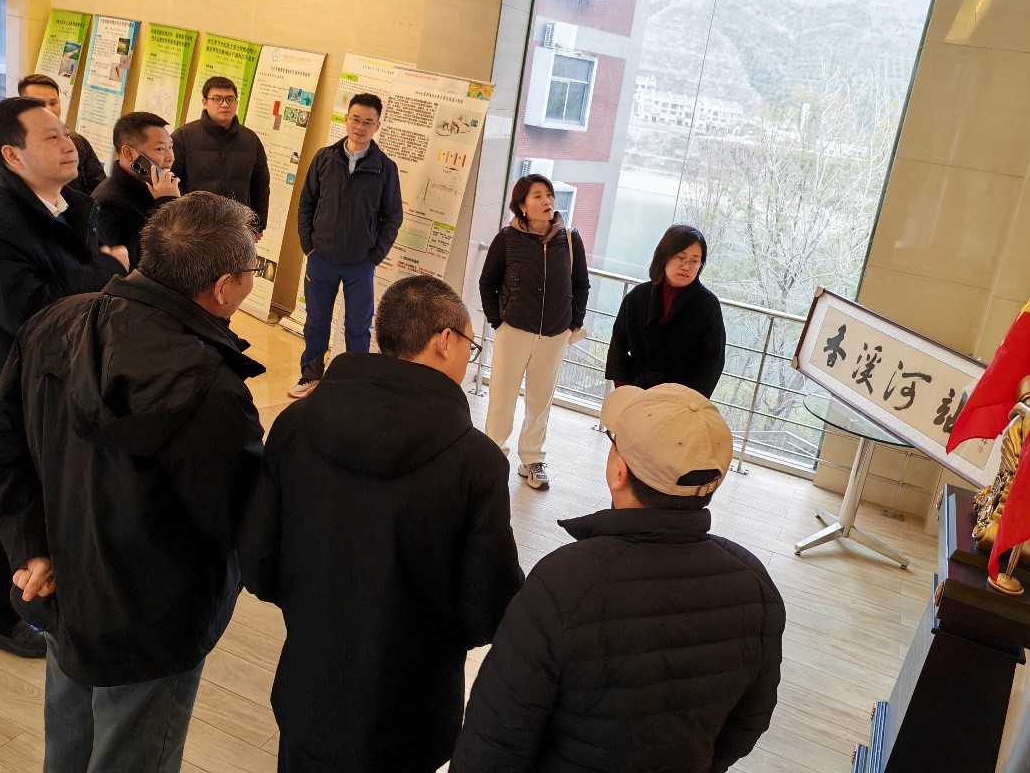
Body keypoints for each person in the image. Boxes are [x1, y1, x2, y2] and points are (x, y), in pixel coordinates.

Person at [0, 192, 267, 772]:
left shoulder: (55, 322)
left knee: (68, 747)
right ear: (222, 287)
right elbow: (236, 516)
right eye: (252, 269)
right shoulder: (210, 387)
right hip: (153, 624)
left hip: (62, 587)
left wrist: (30, 545)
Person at [240, 275, 523, 773]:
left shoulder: (297, 423)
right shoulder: (476, 462)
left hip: (310, 693)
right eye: (470, 344)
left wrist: (317, 608)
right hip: (412, 712)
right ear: (444, 341)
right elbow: (488, 606)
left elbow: (259, 560)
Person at [452, 383, 786, 773]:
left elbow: (494, 743)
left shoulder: (562, 584)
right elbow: (748, 723)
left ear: (618, 471)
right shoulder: (755, 586)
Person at [0, 96, 127, 659]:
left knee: (57, 489)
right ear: (13, 155)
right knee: (2, 501)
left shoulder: (73, 203)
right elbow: (30, 312)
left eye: (66, 132)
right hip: (9, 387)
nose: (67, 143)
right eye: (51, 136)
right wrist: (106, 270)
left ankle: (51, 595)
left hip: (68, 378)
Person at [479, 173, 589, 490]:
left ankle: (532, 460)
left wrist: (572, 324)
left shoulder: (570, 239)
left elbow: (580, 285)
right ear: (522, 205)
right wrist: (498, 321)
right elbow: (487, 283)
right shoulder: (507, 239)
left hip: (554, 335)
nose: (546, 201)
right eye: (538, 196)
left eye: (549, 195)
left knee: (540, 402)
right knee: (502, 398)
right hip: (513, 331)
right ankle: (493, 458)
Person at [289, 92, 403, 398]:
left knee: (358, 326)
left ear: (377, 126)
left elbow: (393, 217)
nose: (360, 127)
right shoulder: (324, 158)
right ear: (346, 118)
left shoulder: (385, 168)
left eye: (368, 122)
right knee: (316, 321)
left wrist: (374, 256)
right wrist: (308, 245)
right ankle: (311, 376)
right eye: (356, 119)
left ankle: (355, 384)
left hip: (360, 264)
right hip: (321, 257)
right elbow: (306, 203)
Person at [605, 224, 726, 397]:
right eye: (680, 257)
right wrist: (624, 389)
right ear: (664, 256)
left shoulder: (708, 305)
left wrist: (688, 401)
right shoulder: (638, 296)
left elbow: (712, 362)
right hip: (634, 392)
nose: (686, 267)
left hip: (681, 399)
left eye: (694, 261)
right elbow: (618, 345)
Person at [171, 76, 270, 235]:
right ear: (204, 102)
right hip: (195, 229)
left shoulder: (250, 139)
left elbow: (261, 185)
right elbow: (173, 182)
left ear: (236, 102)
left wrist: (257, 226)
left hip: (238, 229)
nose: (225, 104)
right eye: (217, 99)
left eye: (230, 99)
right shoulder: (183, 137)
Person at [92, 111, 181, 267]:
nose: (170, 157)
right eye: (160, 149)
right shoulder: (107, 204)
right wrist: (169, 204)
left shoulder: (156, 188)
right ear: (128, 153)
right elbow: (147, 262)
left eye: (170, 147)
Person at [17, 73, 107, 195]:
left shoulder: (77, 142)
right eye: (39, 104)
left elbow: (98, 186)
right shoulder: (16, 149)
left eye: (53, 103)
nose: (48, 110)